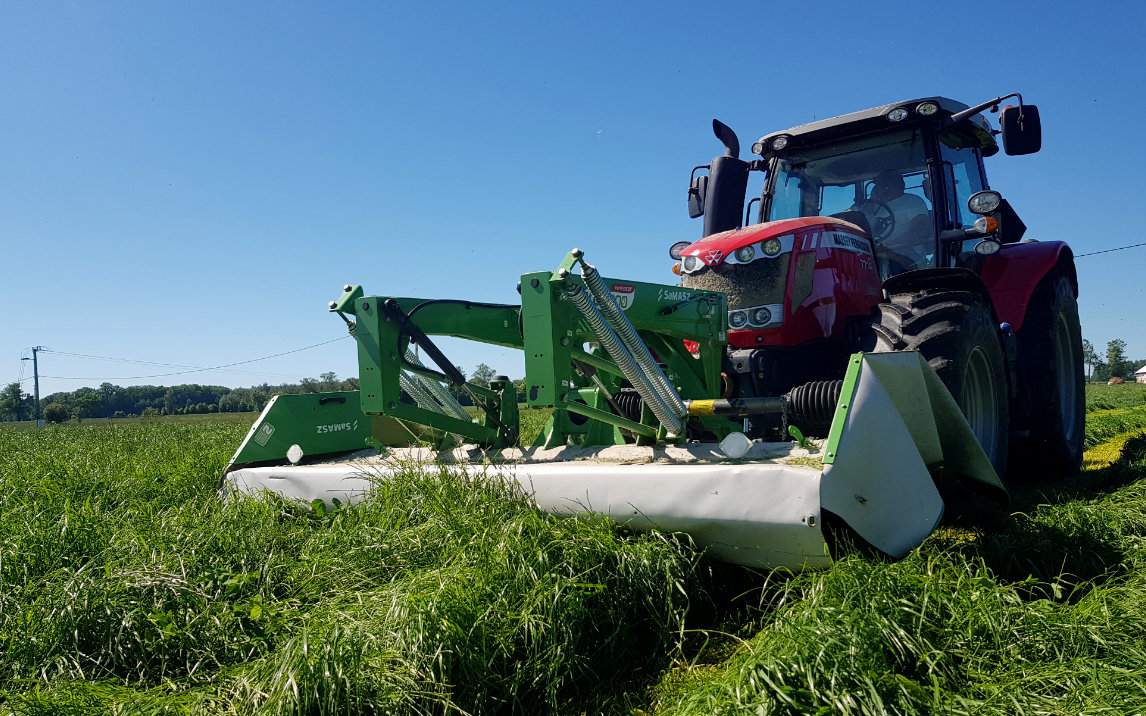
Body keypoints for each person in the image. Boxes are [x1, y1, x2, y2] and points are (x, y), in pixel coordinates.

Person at [857, 170, 933, 271]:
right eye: (880, 184)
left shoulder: (912, 201)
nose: (884, 187)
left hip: (907, 255)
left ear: (901, 185)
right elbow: (851, 221)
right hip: (874, 255)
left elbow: (920, 230)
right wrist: (869, 204)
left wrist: (888, 249)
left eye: (888, 182)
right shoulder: (868, 207)